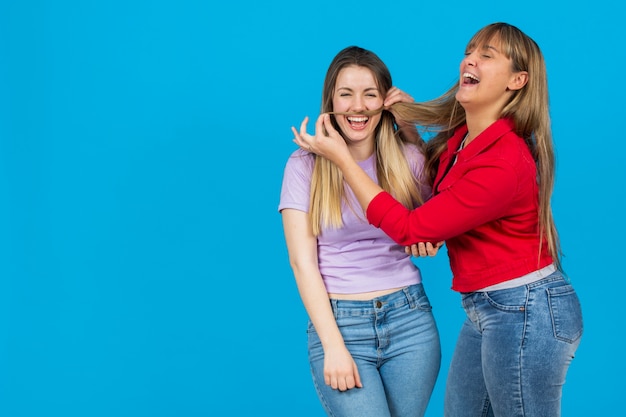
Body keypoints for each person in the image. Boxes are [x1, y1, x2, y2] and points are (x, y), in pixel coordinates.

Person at [293, 23, 583, 417]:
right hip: (486, 308)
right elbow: (436, 199)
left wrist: (343, 160)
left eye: (487, 55)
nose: (470, 59)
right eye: (470, 50)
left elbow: (413, 227)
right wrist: (409, 128)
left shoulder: (504, 161)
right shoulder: (463, 140)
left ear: (518, 80)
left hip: (526, 309)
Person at [279, 46, 442, 417]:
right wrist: (333, 345)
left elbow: (437, 222)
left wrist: (412, 128)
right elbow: (302, 264)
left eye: (370, 94)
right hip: (341, 322)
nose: (358, 106)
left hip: (410, 320)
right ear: (330, 101)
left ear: (385, 102)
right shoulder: (304, 165)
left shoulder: (408, 158)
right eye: (346, 94)